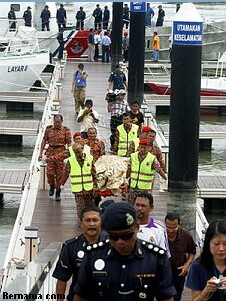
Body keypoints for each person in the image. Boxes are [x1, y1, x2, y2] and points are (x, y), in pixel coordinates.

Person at [73, 202, 176, 301]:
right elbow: (81, 295)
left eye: (127, 236)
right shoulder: (93, 255)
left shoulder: (156, 258)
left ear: (137, 227)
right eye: (114, 237)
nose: (120, 242)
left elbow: (166, 297)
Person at [53, 206, 107, 301]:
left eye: (95, 220)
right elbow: (62, 278)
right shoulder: (70, 247)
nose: (91, 224)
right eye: (87, 220)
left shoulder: (112, 246)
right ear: (81, 224)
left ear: (101, 223)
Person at [186, 219, 226, 301]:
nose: (221, 249)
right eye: (216, 244)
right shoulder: (197, 266)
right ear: (208, 243)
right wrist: (206, 292)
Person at [38, 114, 72, 202]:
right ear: (53, 121)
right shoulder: (49, 129)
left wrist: (70, 154)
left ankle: (58, 192)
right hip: (50, 151)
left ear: (61, 122)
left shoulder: (66, 130)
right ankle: (52, 185)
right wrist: (40, 153)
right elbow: (44, 140)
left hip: (61, 152)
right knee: (49, 173)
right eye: (55, 122)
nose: (57, 124)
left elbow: (69, 143)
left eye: (59, 122)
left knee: (60, 174)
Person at [165, 213, 196, 301]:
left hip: (179, 272)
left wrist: (187, 265)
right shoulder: (160, 235)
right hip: (164, 271)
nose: (170, 230)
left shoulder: (186, 236)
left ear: (179, 224)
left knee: (177, 296)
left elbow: (192, 252)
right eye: (168, 227)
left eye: (174, 228)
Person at [134, 191, 170, 258]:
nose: (139, 208)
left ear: (151, 208)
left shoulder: (159, 228)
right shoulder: (125, 225)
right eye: (137, 205)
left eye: (143, 206)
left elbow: (164, 255)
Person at [67, 142, 97, 218]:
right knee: (80, 207)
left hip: (88, 188)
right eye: (75, 152)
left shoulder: (89, 158)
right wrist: (60, 184)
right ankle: (81, 221)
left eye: (78, 151)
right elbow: (65, 172)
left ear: (83, 149)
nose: (77, 153)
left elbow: (93, 172)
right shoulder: (71, 160)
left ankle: (89, 219)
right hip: (78, 189)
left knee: (89, 206)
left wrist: (95, 185)